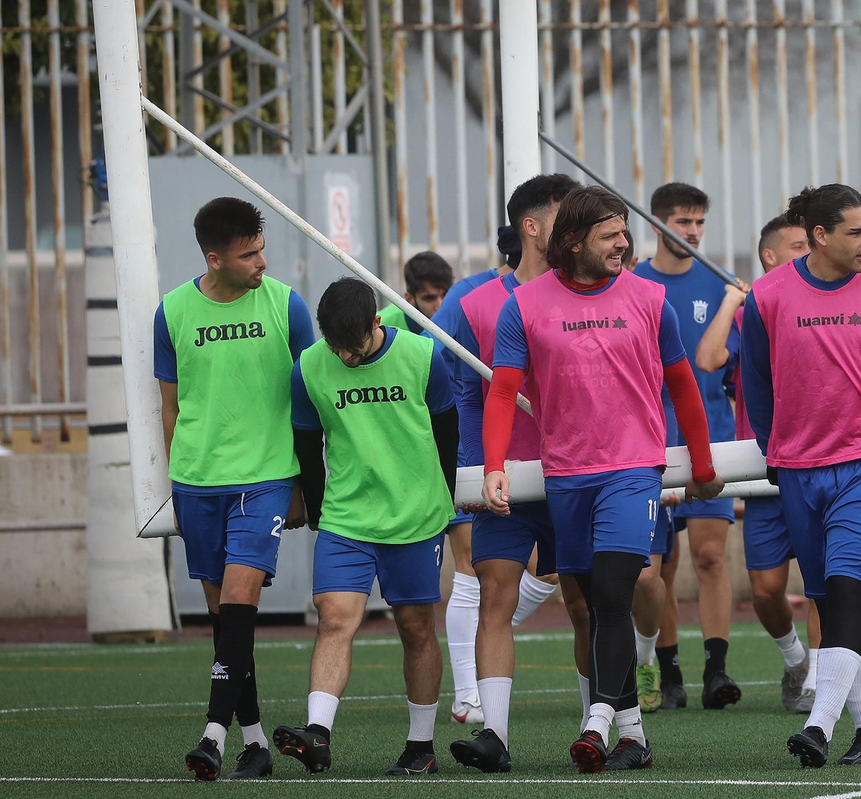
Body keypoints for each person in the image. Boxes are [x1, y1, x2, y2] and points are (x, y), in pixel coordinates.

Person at [480, 186, 724, 773]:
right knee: (592, 602)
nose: (624, 244)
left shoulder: (650, 299)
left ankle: (595, 721)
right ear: (572, 242)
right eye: (610, 235)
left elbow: (683, 385)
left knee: (615, 591)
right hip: (567, 476)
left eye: (624, 233)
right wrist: (492, 468)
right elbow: (505, 390)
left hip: (633, 472)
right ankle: (633, 737)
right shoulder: (526, 305)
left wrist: (704, 463)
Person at [741, 183, 861, 768]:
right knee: (828, 598)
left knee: (848, 593)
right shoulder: (767, 295)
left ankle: (820, 727)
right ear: (820, 236)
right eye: (857, 232)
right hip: (799, 470)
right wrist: (775, 451)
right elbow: (756, 382)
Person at [155, 197, 315, 781]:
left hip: (266, 478)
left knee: (241, 605)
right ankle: (254, 741)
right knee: (225, 620)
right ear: (214, 257)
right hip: (197, 481)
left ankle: (212, 736)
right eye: (249, 254)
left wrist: (304, 482)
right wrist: (175, 481)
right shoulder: (171, 311)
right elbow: (170, 407)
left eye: (262, 249)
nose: (263, 263)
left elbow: (309, 399)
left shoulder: (286, 305)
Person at [272, 278, 458, 777]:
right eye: (335, 348)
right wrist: (313, 508)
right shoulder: (310, 367)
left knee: (416, 629)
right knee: (334, 618)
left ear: (377, 324)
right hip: (346, 517)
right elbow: (308, 447)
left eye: (351, 349)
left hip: (415, 516)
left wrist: (444, 499)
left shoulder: (423, 357)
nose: (344, 359)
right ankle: (318, 734)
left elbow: (447, 432)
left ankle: (421, 747)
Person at [430, 174, 581, 729]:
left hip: (576, 471)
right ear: (533, 226)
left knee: (585, 599)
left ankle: (607, 720)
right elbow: (439, 374)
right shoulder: (473, 303)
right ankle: (477, 707)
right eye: (569, 215)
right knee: (484, 580)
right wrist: (470, 464)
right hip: (494, 473)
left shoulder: (590, 294)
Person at [693, 215, 819, 714]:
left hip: (821, 463)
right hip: (766, 468)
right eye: (796, 246)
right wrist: (731, 301)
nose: (808, 252)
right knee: (766, 590)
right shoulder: (754, 310)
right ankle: (795, 660)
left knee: (823, 583)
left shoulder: (827, 300)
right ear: (769, 256)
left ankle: (818, 685)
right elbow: (706, 359)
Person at [632, 183, 741, 711]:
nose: (693, 233)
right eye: (683, 222)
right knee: (658, 571)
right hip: (648, 445)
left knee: (710, 556)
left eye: (699, 222)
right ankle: (664, 670)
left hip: (710, 440)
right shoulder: (631, 286)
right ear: (657, 224)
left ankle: (716, 671)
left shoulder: (721, 286)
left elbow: (720, 364)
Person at [377, 251, 454, 335]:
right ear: (409, 299)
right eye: (429, 298)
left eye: (446, 295)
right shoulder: (378, 327)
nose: (440, 305)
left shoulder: (462, 316)